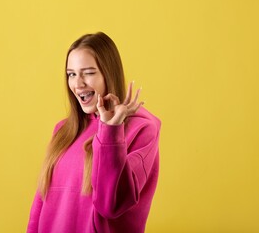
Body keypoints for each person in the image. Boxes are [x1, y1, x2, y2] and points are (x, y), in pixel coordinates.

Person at [27, 32, 161, 233]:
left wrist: (110, 131)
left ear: (108, 73)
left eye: (88, 73)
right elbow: (40, 201)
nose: (78, 84)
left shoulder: (142, 129)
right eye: (71, 74)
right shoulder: (63, 130)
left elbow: (111, 205)